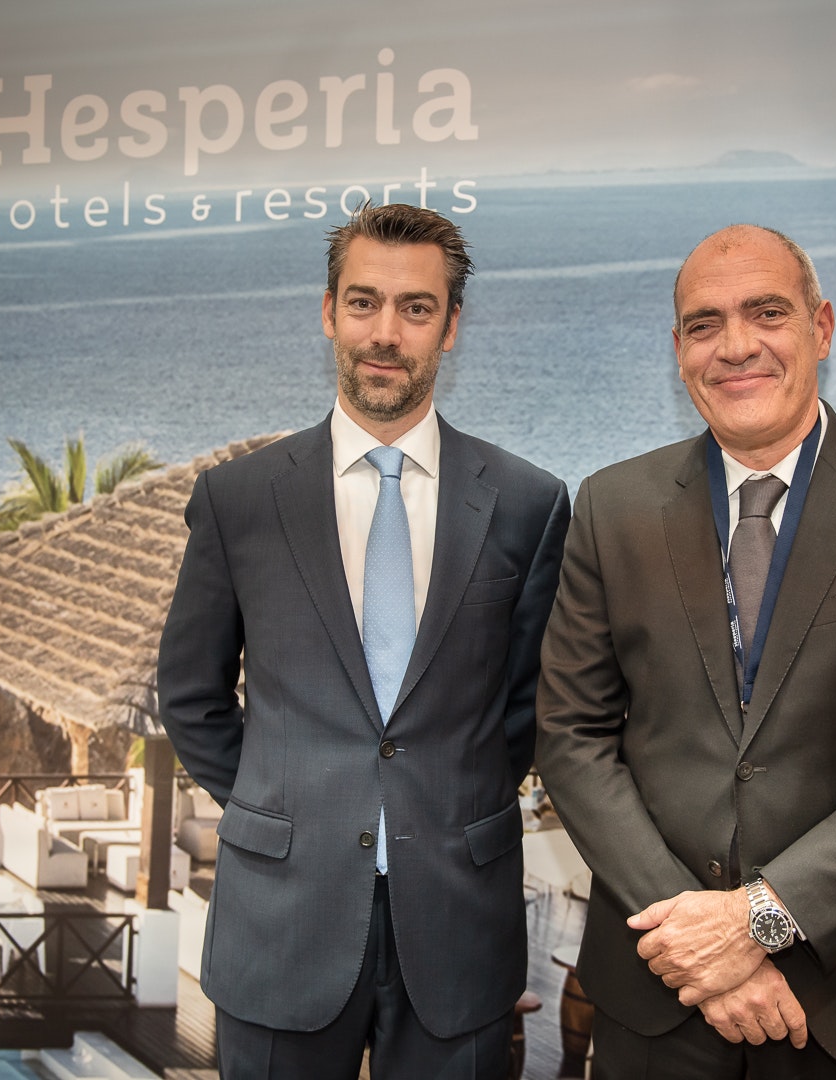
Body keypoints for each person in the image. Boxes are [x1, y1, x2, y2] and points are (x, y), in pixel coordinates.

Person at [536, 224, 836, 1078]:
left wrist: (757, 921)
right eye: (705, 324)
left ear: (820, 328)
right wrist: (696, 940)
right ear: (679, 350)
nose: (736, 346)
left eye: (767, 313)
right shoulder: (612, 508)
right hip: (658, 998)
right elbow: (572, 738)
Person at [157, 201, 570, 1080]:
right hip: (281, 924)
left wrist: (444, 802)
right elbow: (191, 696)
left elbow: (527, 706)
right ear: (328, 312)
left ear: (450, 327)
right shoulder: (240, 500)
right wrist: (284, 807)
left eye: (416, 308)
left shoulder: (528, 503)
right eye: (363, 302)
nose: (386, 333)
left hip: (458, 925)